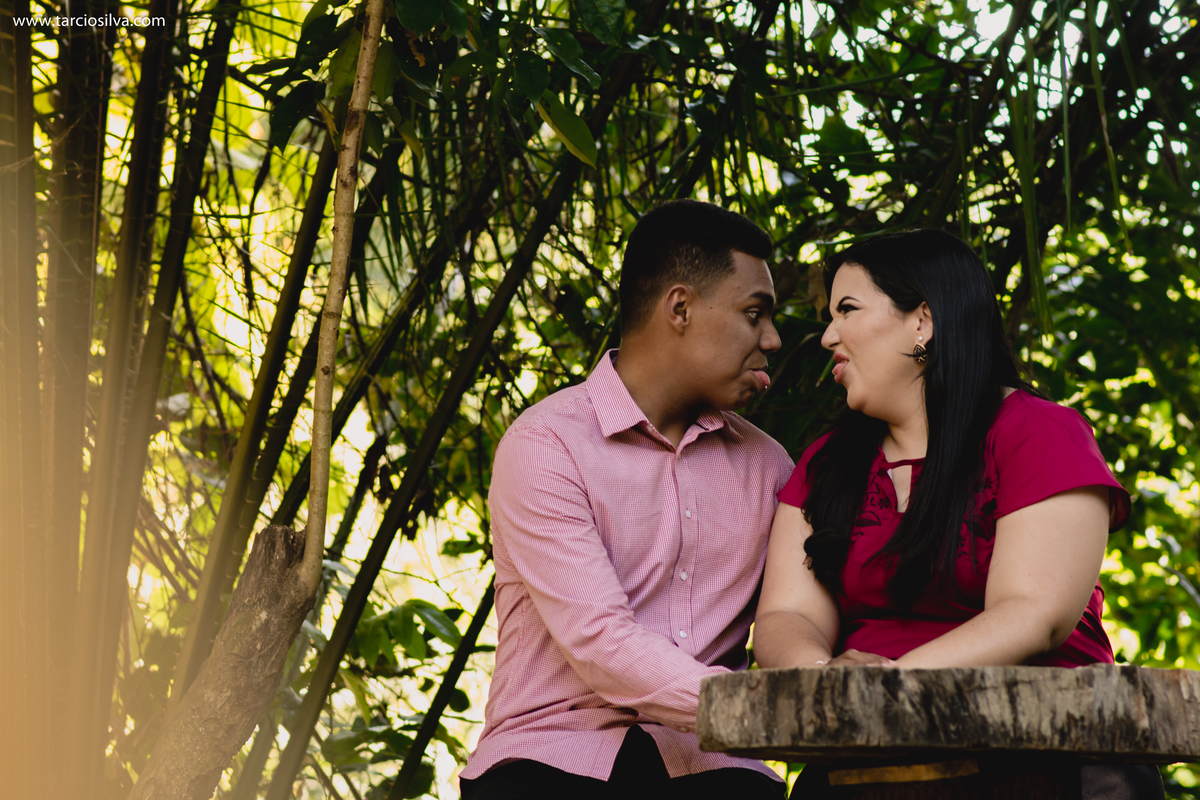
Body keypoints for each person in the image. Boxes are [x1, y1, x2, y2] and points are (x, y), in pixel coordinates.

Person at [753, 228, 1164, 799]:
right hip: (864, 761)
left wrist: (886, 689)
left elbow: (1033, 613)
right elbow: (785, 615)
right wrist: (825, 684)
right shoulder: (825, 464)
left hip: (1041, 751)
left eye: (847, 309)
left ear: (922, 321)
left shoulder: (1039, 432)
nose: (827, 336)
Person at [458, 200, 793, 800]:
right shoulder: (548, 444)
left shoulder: (768, 467)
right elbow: (601, 641)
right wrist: (764, 711)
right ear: (680, 308)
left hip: (713, 768)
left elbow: (796, 618)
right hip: (553, 757)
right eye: (754, 313)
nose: (772, 338)